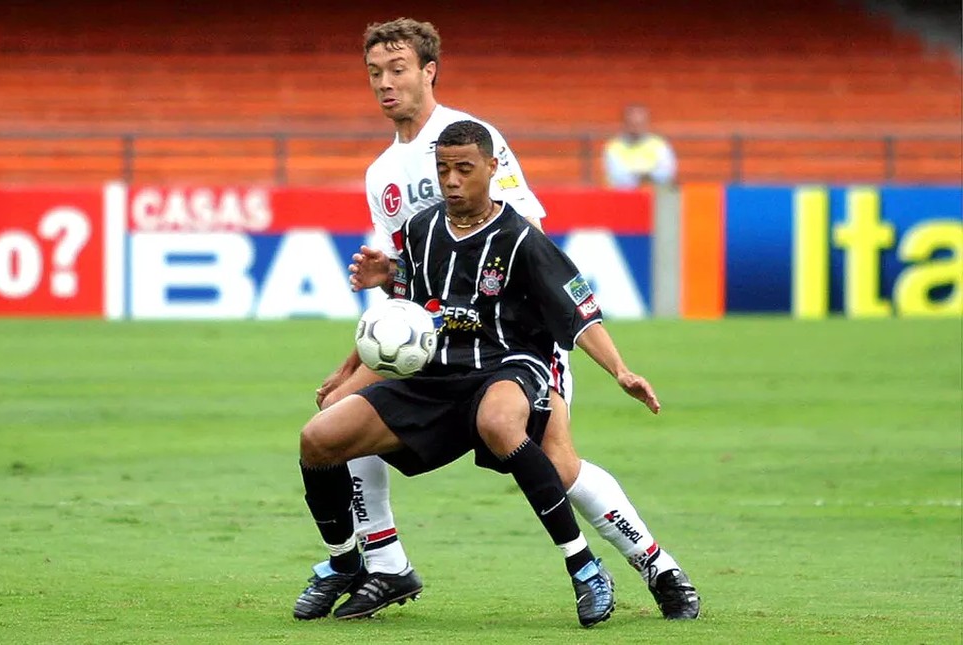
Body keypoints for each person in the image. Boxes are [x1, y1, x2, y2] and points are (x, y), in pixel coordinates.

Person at [294, 18, 699, 622]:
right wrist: (360, 344)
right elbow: (408, 285)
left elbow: (522, 229)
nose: (385, 83)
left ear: (429, 71)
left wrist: (606, 362)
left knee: (557, 464)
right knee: (336, 414)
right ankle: (382, 562)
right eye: (375, 72)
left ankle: (655, 564)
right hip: (439, 342)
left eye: (398, 69)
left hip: (515, 339)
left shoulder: (471, 138)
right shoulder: (382, 173)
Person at [603, 104, 677, 188]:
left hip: (654, 193)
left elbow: (666, 174)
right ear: (625, 124)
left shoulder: (660, 145)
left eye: (639, 124)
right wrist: (645, 176)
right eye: (632, 124)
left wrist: (639, 176)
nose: (636, 128)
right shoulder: (614, 146)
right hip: (625, 194)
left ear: (646, 123)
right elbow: (618, 177)